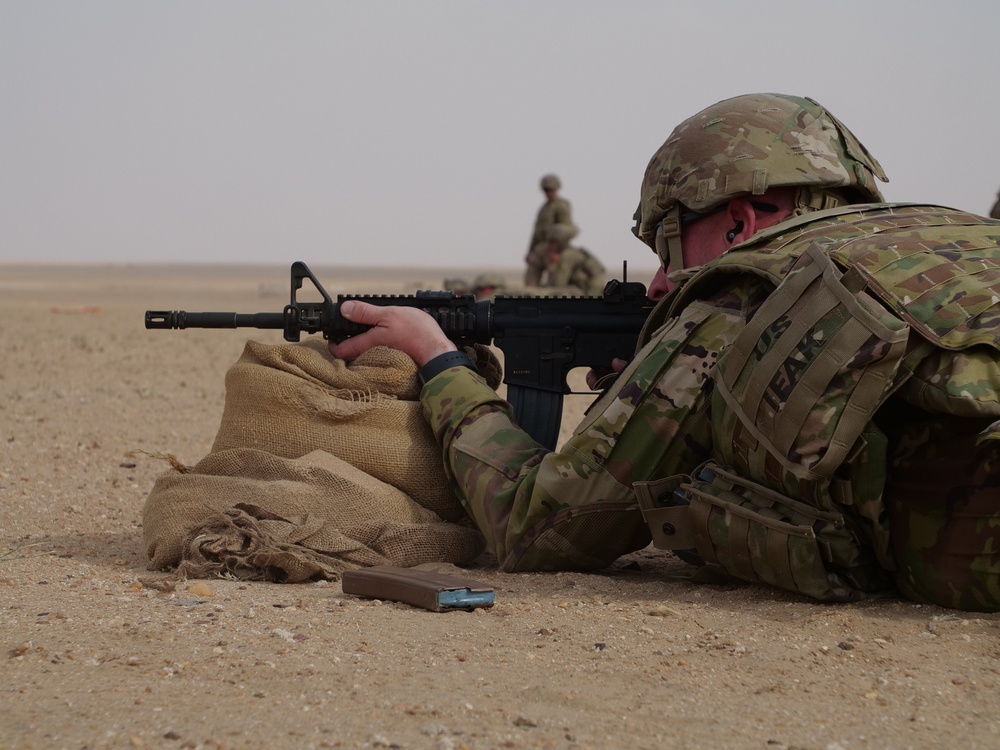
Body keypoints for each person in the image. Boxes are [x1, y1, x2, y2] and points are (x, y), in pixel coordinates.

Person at [329, 93, 1000, 612]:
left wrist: (438, 358)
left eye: (670, 245)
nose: (657, 284)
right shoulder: (964, 240)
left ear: (741, 223)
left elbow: (543, 528)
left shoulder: (750, 288)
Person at [524, 174, 575, 287]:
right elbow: (536, 232)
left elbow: (565, 230)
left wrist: (557, 251)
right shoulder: (544, 208)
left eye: (550, 189)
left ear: (556, 189)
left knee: (555, 281)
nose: (547, 193)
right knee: (531, 278)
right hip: (541, 248)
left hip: (555, 248)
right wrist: (530, 251)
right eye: (545, 190)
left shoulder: (561, 206)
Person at [542, 223, 606, 296]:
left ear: (561, 242)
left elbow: (559, 283)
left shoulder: (568, 255)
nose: (550, 245)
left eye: (553, 242)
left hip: (588, 290)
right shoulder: (571, 252)